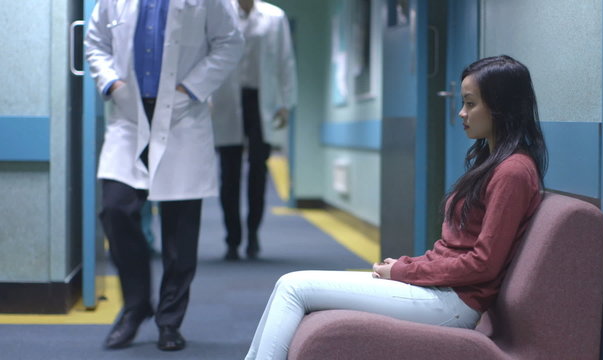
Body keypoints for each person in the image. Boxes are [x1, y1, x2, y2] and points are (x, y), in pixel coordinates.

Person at [244, 55, 548, 360]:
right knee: (289, 285)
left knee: (295, 287)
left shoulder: (513, 172)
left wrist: (405, 270)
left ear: (500, 107)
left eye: (470, 103)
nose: (461, 113)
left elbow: (483, 263)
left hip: (454, 303)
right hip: (441, 291)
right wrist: (409, 265)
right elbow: (457, 250)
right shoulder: (494, 163)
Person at [85, 0, 243, 351]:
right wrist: (110, 82)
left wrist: (190, 89)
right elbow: (94, 42)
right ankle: (136, 304)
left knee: (180, 231)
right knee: (115, 209)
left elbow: (230, 41)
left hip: (182, 116)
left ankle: (169, 321)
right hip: (129, 114)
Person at [209, 0, 297, 261]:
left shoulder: (274, 16)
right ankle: (232, 240)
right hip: (227, 101)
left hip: (262, 102)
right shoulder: (219, 13)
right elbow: (208, 56)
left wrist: (286, 104)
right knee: (229, 173)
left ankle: (253, 235)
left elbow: (285, 61)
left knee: (258, 168)